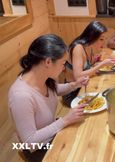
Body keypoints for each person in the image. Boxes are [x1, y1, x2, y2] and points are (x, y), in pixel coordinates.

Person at [8, 34, 88, 162]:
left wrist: (75, 84)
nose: (63, 68)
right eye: (63, 63)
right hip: (38, 148)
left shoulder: (41, 77)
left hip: (51, 131)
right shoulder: (21, 96)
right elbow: (30, 142)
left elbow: (54, 90)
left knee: (85, 135)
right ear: (48, 61)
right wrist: (65, 120)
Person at [63, 21, 115, 107]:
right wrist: (102, 64)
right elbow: (78, 76)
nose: (103, 43)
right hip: (73, 93)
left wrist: (100, 60)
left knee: (109, 92)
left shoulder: (89, 46)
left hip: (83, 87)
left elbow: (89, 65)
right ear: (92, 37)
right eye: (101, 39)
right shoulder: (78, 48)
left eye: (105, 39)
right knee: (106, 100)